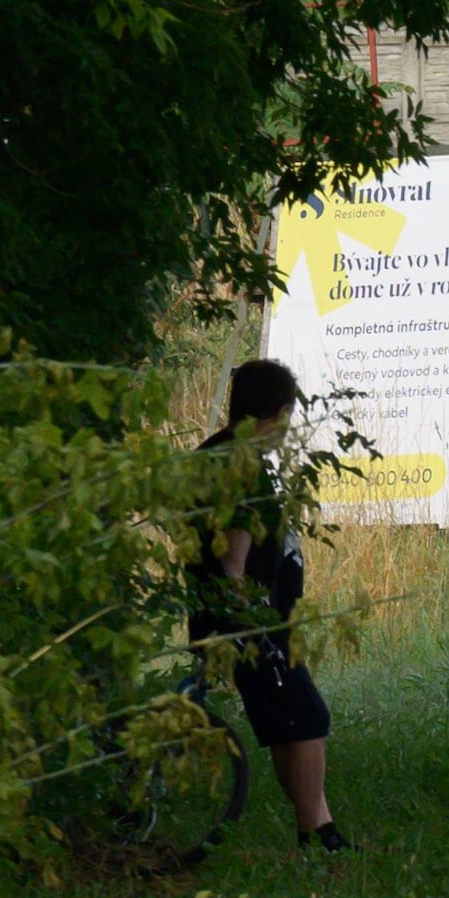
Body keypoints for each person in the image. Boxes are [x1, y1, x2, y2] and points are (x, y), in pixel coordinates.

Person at [191, 359, 345, 850]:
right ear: (279, 412)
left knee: (290, 722)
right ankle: (318, 836)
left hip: (236, 619)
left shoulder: (212, 453)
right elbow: (232, 565)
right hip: (249, 625)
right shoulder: (241, 467)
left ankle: (318, 831)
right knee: (307, 717)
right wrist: (253, 629)